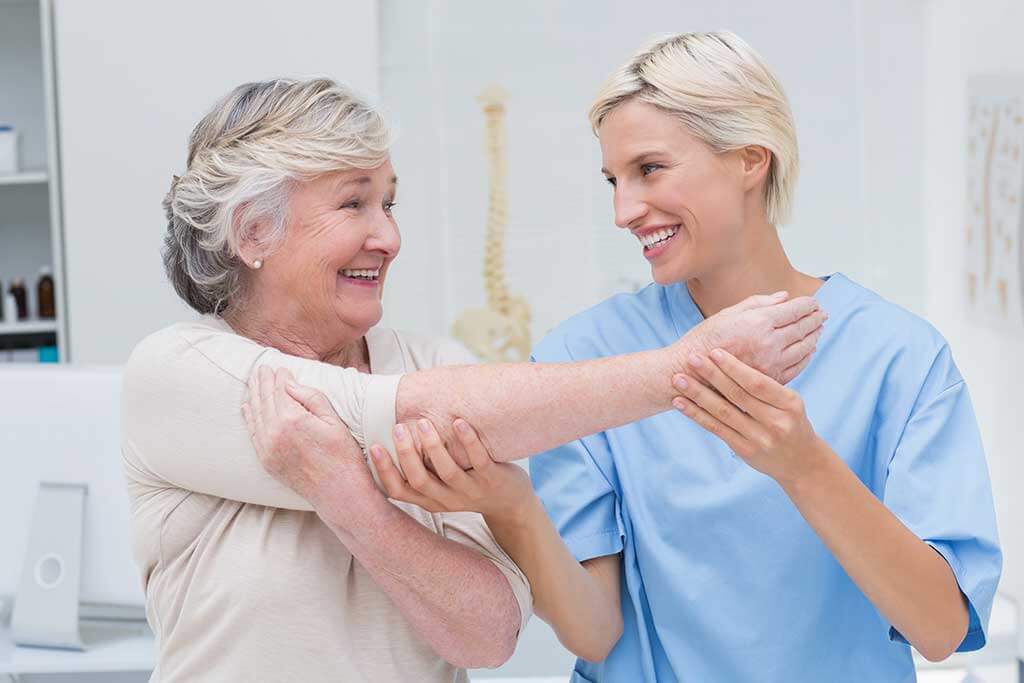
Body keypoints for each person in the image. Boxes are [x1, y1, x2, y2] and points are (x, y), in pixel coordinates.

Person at [299, 32, 1000, 683]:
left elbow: (941, 628)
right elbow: (595, 631)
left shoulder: (899, 357)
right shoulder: (583, 358)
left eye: (650, 169)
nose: (624, 210)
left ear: (751, 158)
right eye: (613, 180)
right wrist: (511, 505)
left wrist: (803, 465)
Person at [121, 77, 824, 682]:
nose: (389, 237)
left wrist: (348, 498)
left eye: (389, 204)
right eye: (353, 204)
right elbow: (402, 412)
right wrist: (687, 365)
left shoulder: (437, 366)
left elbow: (487, 638)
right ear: (252, 232)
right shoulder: (178, 372)